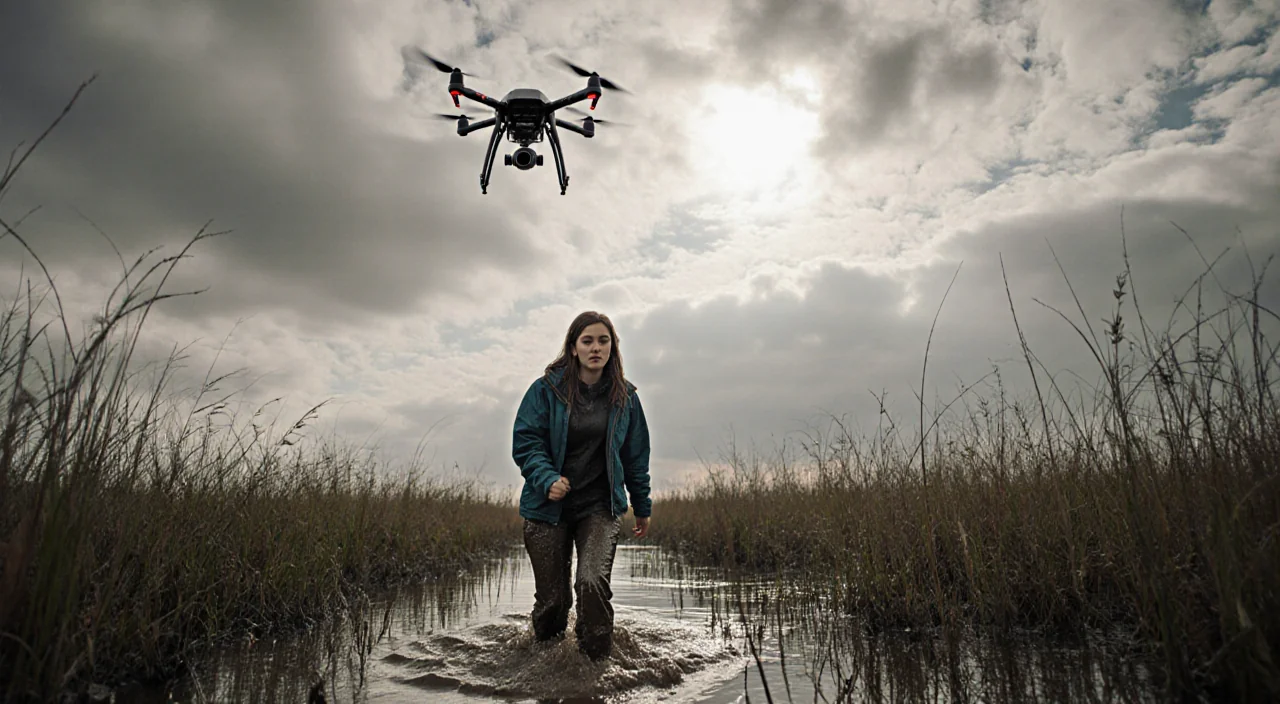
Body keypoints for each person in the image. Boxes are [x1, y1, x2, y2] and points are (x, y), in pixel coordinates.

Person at [511, 310, 652, 661]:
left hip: (599, 507)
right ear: (573, 347)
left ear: (612, 347)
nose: (595, 348)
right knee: (554, 602)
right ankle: (544, 666)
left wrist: (642, 506)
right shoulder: (545, 391)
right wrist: (547, 480)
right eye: (587, 340)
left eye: (603, 340)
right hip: (547, 509)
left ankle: (595, 666)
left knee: (591, 584)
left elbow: (636, 457)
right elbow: (526, 441)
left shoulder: (626, 398)